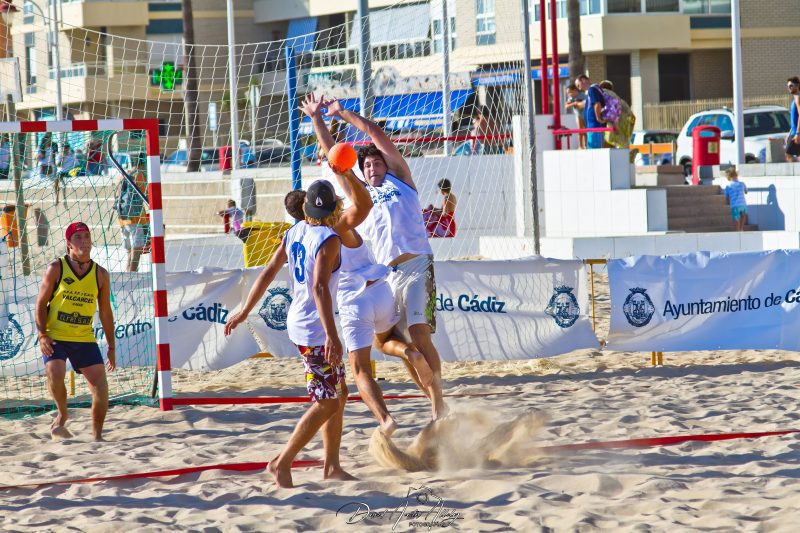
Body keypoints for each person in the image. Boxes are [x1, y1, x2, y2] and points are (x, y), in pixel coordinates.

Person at [309, 92, 446, 420]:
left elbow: (376, 134)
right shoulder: (361, 196)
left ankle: (439, 405)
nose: (371, 166)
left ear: (388, 164)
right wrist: (317, 119)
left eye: (376, 162)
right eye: (366, 164)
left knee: (419, 333)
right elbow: (335, 157)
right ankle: (435, 404)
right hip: (386, 275)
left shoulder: (402, 181)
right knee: (399, 346)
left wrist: (342, 113)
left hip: (416, 265)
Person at [226, 181, 355, 488]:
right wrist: (331, 335)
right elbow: (320, 287)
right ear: (332, 209)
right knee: (327, 402)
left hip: (303, 321)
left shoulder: (295, 231)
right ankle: (282, 462)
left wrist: (245, 310)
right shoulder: (328, 238)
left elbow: (268, 271)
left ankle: (331, 466)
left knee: (339, 394)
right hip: (314, 328)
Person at [34, 222, 116, 441]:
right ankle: (62, 415)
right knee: (55, 373)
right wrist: (42, 335)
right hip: (55, 335)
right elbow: (40, 305)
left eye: (87, 236)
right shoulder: (56, 268)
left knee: (100, 386)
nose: (84, 241)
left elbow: (106, 313)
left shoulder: (100, 274)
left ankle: (97, 437)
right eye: (78, 237)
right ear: (69, 243)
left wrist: (111, 346)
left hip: (83, 337)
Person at [116, 153, 149, 272]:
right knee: (137, 248)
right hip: (135, 216)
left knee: (129, 250)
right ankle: (133, 273)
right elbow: (147, 195)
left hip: (122, 217)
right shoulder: (139, 174)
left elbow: (117, 194)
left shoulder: (123, 175)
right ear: (142, 163)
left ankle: (127, 272)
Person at [597, 80, 635, 150]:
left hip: (616, 121)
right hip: (628, 119)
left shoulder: (603, 93)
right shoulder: (615, 96)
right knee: (621, 142)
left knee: (609, 141)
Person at [576, 74, 606, 149]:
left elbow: (597, 103)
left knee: (594, 150)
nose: (579, 89)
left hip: (595, 126)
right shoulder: (595, 88)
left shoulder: (592, 89)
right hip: (594, 126)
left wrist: (598, 118)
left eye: (578, 85)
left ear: (583, 80)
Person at [724, 167, 748, 231]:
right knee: (743, 215)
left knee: (736, 218)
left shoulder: (728, 186)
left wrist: (728, 202)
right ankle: (741, 228)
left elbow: (727, 196)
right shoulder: (742, 184)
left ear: (728, 176)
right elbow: (746, 191)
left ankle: (737, 231)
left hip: (734, 205)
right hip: (742, 203)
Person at [565, 83, 587, 149]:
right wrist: (573, 103)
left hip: (585, 115)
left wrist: (578, 104)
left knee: (586, 130)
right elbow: (566, 106)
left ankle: (586, 145)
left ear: (575, 90)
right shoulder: (571, 98)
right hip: (578, 115)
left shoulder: (583, 95)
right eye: (568, 93)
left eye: (570, 92)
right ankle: (580, 146)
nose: (569, 94)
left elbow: (586, 104)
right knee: (580, 131)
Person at [786, 77, 800, 162]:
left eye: (791, 86)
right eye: (788, 86)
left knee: (788, 153)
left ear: (798, 85)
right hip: (794, 132)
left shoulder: (798, 98)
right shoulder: (795, 98)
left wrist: (797, 133)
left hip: (797, 133)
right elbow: (794, 118)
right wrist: (789, 132)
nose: (789, 88)